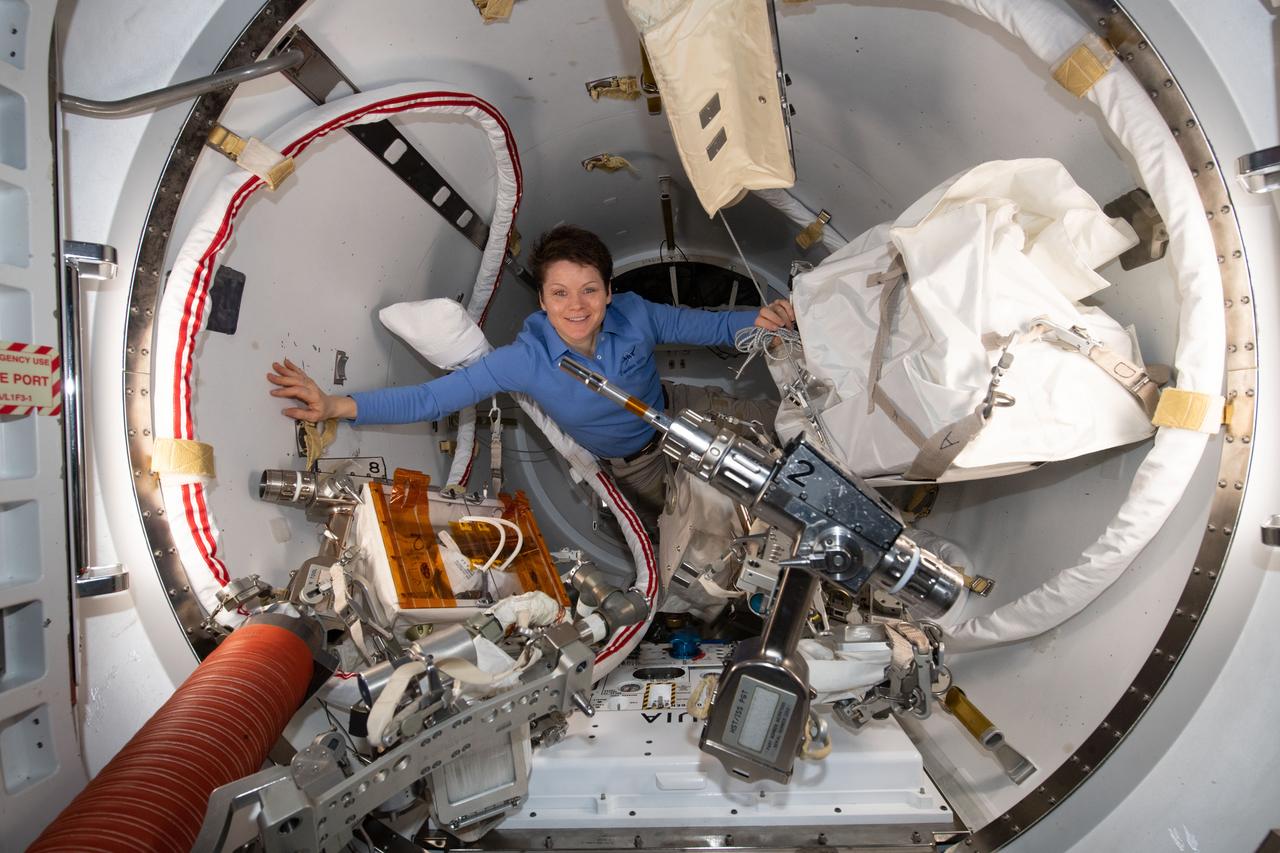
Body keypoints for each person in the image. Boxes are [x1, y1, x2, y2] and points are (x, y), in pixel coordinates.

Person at [267, 225, 795, 525]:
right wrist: (337, 406)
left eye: (589, 290)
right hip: (639, 467)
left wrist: (761, 319)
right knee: (717, 522)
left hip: (680, 408)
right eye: (560, 294)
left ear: (609, 292)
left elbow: (707, 325)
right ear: (543, 300)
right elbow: (433, 399)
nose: (577, 306)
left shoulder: (636, 313)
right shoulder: (525, 359)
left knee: (791, 428)